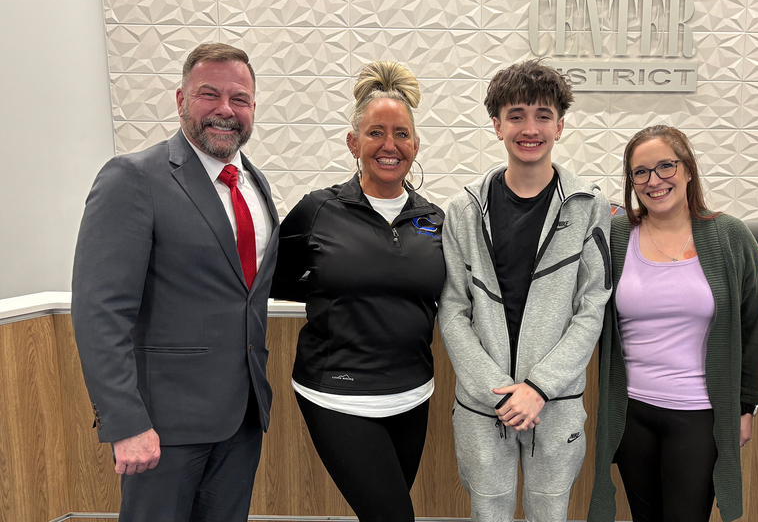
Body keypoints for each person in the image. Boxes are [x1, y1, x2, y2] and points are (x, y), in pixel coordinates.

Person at [72, 43, 278, 522]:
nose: (226, 110)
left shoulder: (254, 183)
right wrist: (125, 422)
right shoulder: (133, 177)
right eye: (210, 95)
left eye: (240, 99)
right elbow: (100, 310)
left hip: (242, 415)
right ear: (180, 99)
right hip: (162, 426)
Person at [270, 61, 445, 522]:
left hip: (412, 393)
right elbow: (276, 278)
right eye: (376, 133)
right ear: (354, 143)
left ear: (416, 143)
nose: (390, 145)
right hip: (337, 394)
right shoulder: (318, 210)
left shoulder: (435, 219)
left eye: (402, 134)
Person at [438, 59, 612, 522]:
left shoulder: (590, 206)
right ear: (497, 125)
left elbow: (592, 306)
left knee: (549, 514)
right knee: (488, 512)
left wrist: (538, 386)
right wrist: (496, 392)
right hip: (482, 405)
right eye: (516, 115)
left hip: (555, 404)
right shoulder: (463, 209)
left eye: (542, 115)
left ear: (560, 124)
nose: (529, 128)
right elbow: (453, 309)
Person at [588, 125, 758, 522]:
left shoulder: (729, 235)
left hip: (699, 415)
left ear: (688, 170)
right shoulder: (617, 235)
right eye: (641, 172)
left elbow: (754, 328)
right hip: (631, 412)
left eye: (665, 166)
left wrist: (743, 407)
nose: (655, 181)